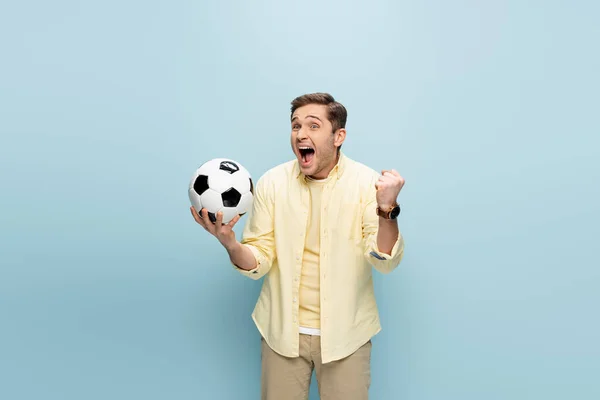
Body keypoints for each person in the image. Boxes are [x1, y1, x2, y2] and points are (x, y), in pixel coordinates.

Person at [190, 92, 405, 399]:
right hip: (282, 334)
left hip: (347, 336)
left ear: (338, 136)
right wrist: (230, 244)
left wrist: (387, 209)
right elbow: (260, 258)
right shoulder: (272, 183)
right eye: (295, 126)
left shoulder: (367, 183)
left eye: (313, 126)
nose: (301, 134)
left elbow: (384, 259)